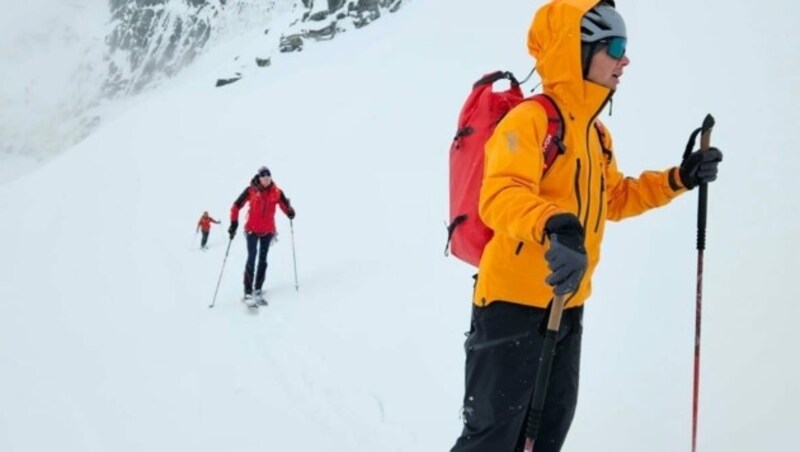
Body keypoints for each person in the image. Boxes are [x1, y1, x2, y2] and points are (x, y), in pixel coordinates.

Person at [450, 1, 723, 451]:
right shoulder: (531, 119)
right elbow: (498, 197)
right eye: (614, 46)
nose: (624, 60)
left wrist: (680, 178)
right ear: (574, 51)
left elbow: (614, 198)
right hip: (510, 309)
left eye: (625, 48)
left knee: (547, 434)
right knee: (492, 440)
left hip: (567, 306)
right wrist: (554, 223)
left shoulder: (595, 134)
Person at [228, 166, 295, 306]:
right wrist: (234, 223)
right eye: (264, 177)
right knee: (251, 257)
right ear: (259, 178)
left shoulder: (276, 192)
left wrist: (289, 211)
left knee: (263, 260)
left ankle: (257, 289)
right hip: (251, 230)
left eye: (268, 177)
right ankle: (247, 291)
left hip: (268, 231)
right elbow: (236, 206)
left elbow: (284, 205)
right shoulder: (250, 190)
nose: (266, 179)